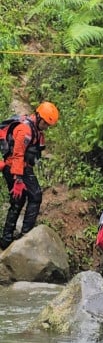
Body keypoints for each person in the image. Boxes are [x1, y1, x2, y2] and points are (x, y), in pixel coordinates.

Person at [1, 101, 58, 249]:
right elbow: (18, 155)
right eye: (45, 123)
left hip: (21, 168)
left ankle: (7, 239)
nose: (46, 127)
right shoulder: (25, 130)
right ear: (38, 117)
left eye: (48, 125)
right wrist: (18, 179)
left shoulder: (35, 129)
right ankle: (25, 236)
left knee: (19, 200)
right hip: (14, 168)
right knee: (34, 196)